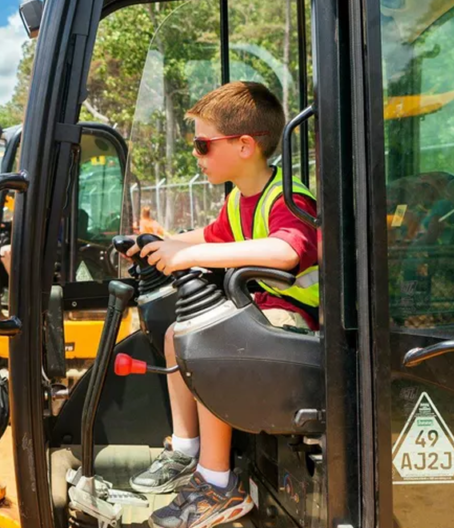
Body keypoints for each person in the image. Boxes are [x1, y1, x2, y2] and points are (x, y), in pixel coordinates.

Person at [125, 81, 319, 528]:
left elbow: (287, 251)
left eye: (202, 145)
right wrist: (159, 244)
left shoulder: (290, 196)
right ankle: (186, 450)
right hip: (263, 312)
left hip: (297, 324)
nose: (197, 155)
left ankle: (218, 486)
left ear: (245, 146)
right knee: (178, 336)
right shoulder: (239, 198)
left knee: (211, 346)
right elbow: (212, 237)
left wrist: (187, 257)